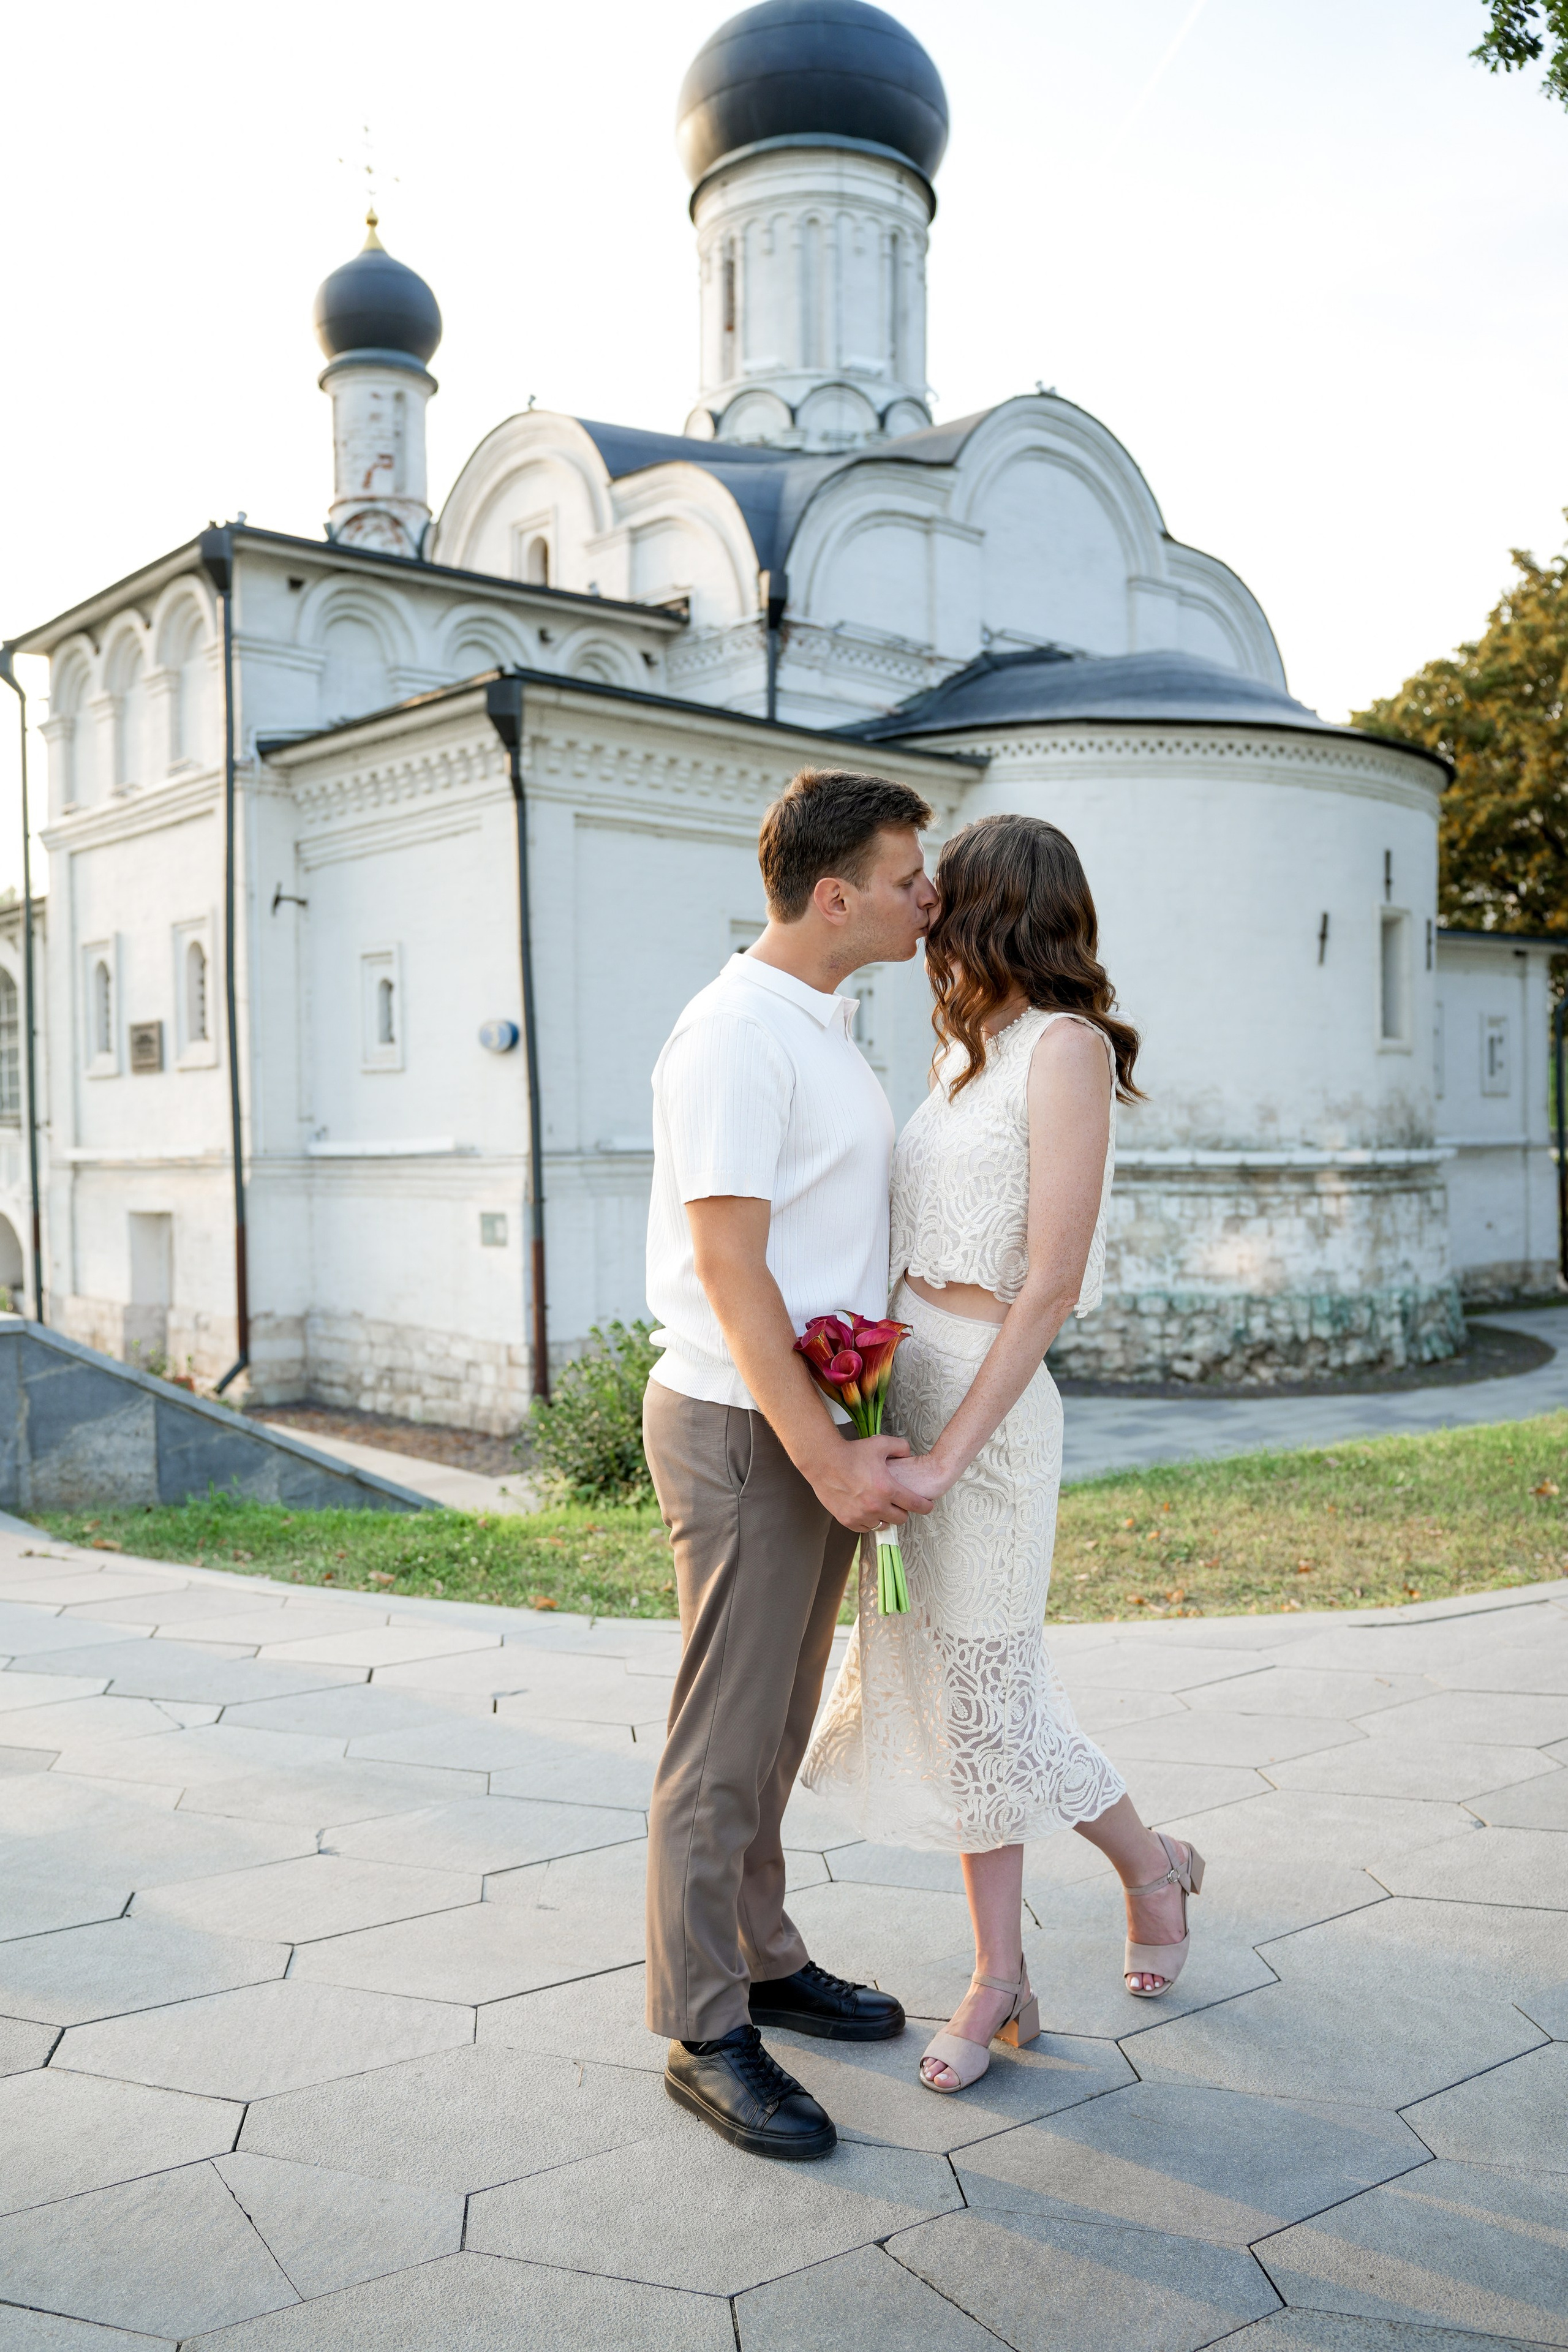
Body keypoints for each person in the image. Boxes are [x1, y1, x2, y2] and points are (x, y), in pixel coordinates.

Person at [803, 812, 1205, 2095]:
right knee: (950, 1695)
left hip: (990, 1408)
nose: (917, 911)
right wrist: (863, 1401)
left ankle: (1054, 1934)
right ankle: (1072, 1919)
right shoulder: (956, 1053)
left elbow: (1048, 1287)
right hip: (907, 1396)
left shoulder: (1064, 1050)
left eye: (938, 894)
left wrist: (947, 1455)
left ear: (988, 909)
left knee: (985, 1702)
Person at [642, 766, 939, 2160]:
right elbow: (727, 1266)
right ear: (835, 896)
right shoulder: (731, 1037)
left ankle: (762, 1955)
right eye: (904, 876)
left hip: (807, 1415)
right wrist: (823, 1462)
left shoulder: (820, 1022)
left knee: (773, 1720)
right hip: (743, 1424)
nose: (924, 897)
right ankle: (705, 2030)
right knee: (721, 1739)